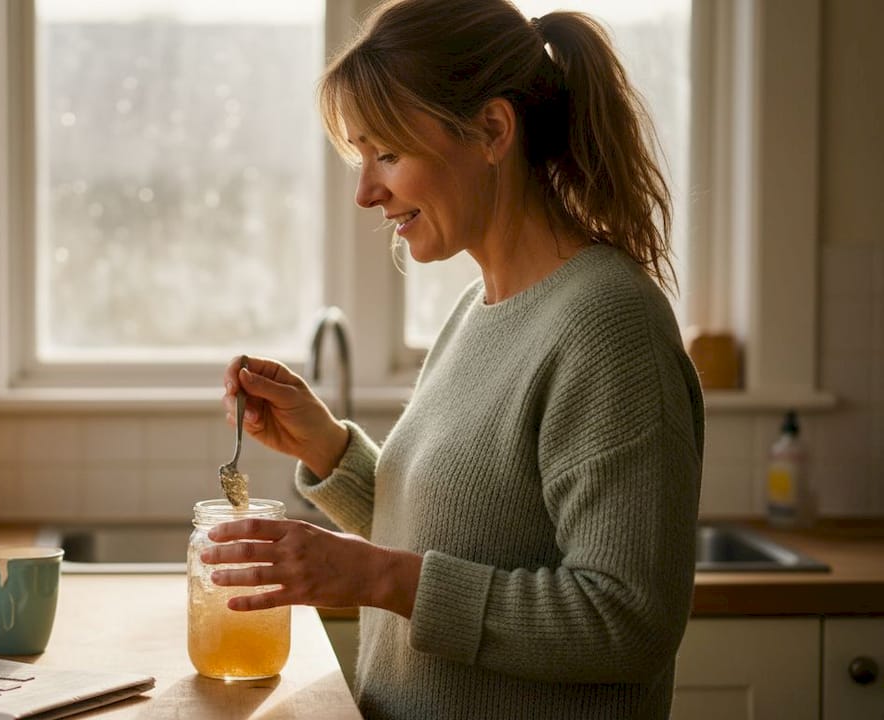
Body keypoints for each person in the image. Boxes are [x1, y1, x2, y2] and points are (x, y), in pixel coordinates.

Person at [207, 0, 705, 718]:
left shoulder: (608, 324)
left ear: (493, 130)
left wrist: (379, 579)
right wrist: (325, 443)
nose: (365, 192)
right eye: (360, 157)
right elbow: (455, 528)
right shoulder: (480, 310)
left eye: (387, 154)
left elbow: (625, 621)